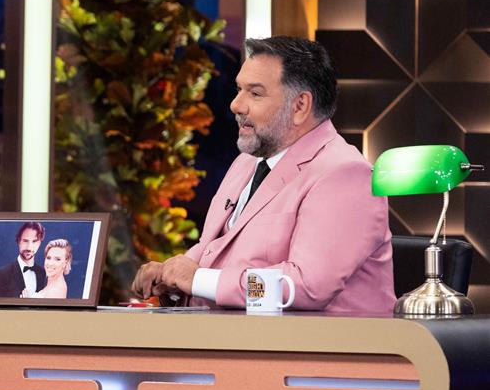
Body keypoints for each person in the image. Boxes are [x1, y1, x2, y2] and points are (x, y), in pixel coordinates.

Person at [132, 36, 395, 314]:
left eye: (255, 94)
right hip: (235, 335)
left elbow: (305, 286)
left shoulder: (345, 174)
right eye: (239, 90)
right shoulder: (246, 163)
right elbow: (212, 250)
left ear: (300, 106)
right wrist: (169, 276)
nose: (236, 105)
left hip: (320, 342)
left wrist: (198, 280)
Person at [0, 221, 47, 297]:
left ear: (39, 243)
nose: (29, 247)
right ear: (18, 241)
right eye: (25, 241)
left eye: (34, 241)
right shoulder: (1, 275)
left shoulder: (43, 273)